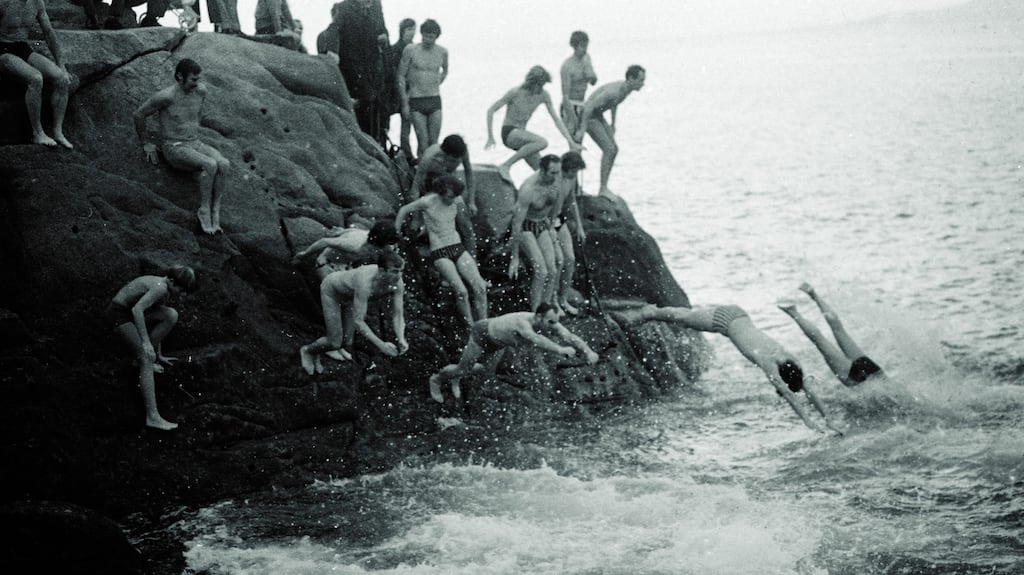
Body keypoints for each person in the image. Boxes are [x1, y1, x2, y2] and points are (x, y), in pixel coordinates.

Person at [612, 303, 842, 434]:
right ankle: (646, 313)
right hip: (724, 321)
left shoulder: (787, 357)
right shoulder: (767, 361)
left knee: (685, 316)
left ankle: (650, 313)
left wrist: (828, 418)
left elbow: (804, 388)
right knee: (682, 318)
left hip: (740, 313)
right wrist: (809, 422)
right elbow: (790, 394)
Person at [133, 58, 231, 235]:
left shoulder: (201, 92)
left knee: (224, 164)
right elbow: (139, 114)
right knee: (210, 165)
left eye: (198, 79)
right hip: (174, 147)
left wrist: (193, 135)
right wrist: (146, 143)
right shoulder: (166, 97)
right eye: (193, 79)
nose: (197, 83)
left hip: (195, 143)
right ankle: (203, 209)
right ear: (180, 77)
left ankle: (215, 210)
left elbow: (195, 117)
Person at [428, 303, 599, 403]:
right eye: (550, 321)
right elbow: (535, 339)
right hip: (482, 334)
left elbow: (569, 336)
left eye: (555, 322)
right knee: (463, 369)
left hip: (498, 344)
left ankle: (458, 374)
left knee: (484, 373)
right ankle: (437, 379)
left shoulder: (551, 322)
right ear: (539, 317)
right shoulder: (522, 322)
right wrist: (560, 349)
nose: (553, 325)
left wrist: (588, 351)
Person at [106, 265, 197, 430]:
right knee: (146, 359)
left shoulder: (165, 288)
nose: (180, 294)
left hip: (130, 313)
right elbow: (137, 310)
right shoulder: (160, 288)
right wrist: (146, 344)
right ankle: (152, 417)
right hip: (119, 314)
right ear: (170, 280)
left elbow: (153, 317)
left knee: (170, 314)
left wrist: (158, 354)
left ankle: (145, 358)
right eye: (179, 289)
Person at [396, 174, 488, 328]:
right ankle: (471, 327)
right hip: (440, 251)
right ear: (440, 192)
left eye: (454, 197)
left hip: (457, 246)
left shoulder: (457, 200)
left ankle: (484, 323)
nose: (451, 200)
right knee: (461, 292)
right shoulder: (427, 202)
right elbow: (404, 210)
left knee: (480, 287)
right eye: (449, 197)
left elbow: (465, 226)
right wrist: (397, 231)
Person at [299, 251, 408, 374]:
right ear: (382, 271)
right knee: (335, 342)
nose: (399, 276)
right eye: (394, 271)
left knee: (346, 342)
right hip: (332, 292)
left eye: (401, 271)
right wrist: (381, 345)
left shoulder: (398, 283)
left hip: (350, 298)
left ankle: (320, 350)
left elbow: (398, 314)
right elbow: (358, 321)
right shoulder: (365, 282)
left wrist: (401, 338)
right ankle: (307, 351)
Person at [485, 65, 580, 183]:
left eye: (543, 85)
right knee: (542, 142)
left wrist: (570, 142)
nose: (541, 88)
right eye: (539, 85)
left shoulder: (543, 95)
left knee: (542, 172)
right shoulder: (515, 92)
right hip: (509, 133)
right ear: (532, 83)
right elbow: (491, 110)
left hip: (523, 137)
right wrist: (490, 136)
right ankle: (506, 165)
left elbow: (556, 120)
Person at [779, 283, 886, 387]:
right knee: (820, 341)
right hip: (858, 382)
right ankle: (793, 312)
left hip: (877, 373)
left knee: (839, 330)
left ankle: (813, 294)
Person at [0, 0, 73, 149]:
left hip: (22, 47)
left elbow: (49, 33)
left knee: (61, 78)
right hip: (2, 49)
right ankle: (37, 133)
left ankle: (57, 131)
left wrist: (61, 64)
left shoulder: (37, 3)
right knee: (35, 78)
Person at [573, 65, 646, 201]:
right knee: (609, 149)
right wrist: (582, 129)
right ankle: (603, 188)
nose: (642, 84)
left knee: (614, 149)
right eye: (640, 80)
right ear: (631, 78)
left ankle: (604, 187)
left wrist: (613, 124)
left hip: (598, 114)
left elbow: (614, 104)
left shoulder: (625, 90)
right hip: (588, 115)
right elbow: (589, 106)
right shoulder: (614, 91)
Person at [507, 154, 561, 312]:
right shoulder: (528, 189)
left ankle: (547, 309)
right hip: (526, 227)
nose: (557, 176)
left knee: (552, 270)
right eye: (553, 173)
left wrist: (551, 228)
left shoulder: (556, 182)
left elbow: (555, 207)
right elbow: (516, 224)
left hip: (543, 224)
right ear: (543, 171)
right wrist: (514, 257)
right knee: (541, 271)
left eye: (558, 172)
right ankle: (535, 311)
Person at [336, 0, 389, 147]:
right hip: (354, 70)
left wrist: (384, 36)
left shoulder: (376, 5)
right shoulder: (344, 7)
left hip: (374, 72)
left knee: (377, 117)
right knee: (361, 116)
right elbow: (336, 32)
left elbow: (383, 29)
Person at [397, 18, 447, 159]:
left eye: (431, 37)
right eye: (425, 36)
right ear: (421, 34)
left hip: (434, 99)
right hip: (416, 99)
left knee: (434, 143)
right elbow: (400, 75)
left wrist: (438, 81)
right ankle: (421, 175)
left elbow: (445, 70)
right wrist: (404, 102)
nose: (428, 40)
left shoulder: (442, 52)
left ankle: (432, 175)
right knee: (423, 142)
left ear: (436, 37)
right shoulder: (411, 50)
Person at [292, 219, 399, 281]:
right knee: (338, 294)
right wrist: (303, 255)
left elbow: (356, 230)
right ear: (378, 243)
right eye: (387, 244)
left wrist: (342, 231)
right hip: (327, 264)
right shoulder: (355, 245)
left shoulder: (370, 235)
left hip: (346, 265)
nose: (389, 246)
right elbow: (324, 241)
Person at [550, 151, 587, 316]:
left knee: (570, 259)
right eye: (573, 171)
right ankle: (553, 301)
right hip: (546, 221)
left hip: (559, 220)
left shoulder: (571, 180)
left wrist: (579, 226)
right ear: (566, 167)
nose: (575, 174)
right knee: (559, 260)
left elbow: (571, 201)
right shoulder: (554, 179)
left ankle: (563, 298)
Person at [408, 134, 476, 213]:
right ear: (444, 155)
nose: (456, 161)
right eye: (453, 160)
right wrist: (414, 211)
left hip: (448, 182)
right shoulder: (429, 158)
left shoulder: (462, 151)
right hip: (429, 182)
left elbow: (469, 173)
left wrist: (471, 202)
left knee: (461, 212)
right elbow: (416, 186)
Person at [559, 30, 597, 137]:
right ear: (574, 46)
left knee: (580, 139)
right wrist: (572, 118)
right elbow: (565, 96)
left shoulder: (587, 59)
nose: (585, 50)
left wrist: (591, 75)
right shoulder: (567, 66)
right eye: (582, 46)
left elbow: (593, 82)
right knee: (574, 141)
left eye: (586, 46)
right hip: (570, 105)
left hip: (582, 103)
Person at [388, 17, 415, 160]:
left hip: (410, 91)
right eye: (409, 29)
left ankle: (408, 154)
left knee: (407, 124)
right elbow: (393, 73)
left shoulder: (416, 49)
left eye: (413, 29)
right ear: (402, 31)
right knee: (387, 121)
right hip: (394, 91)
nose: (412, 33)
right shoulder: (394, 49)